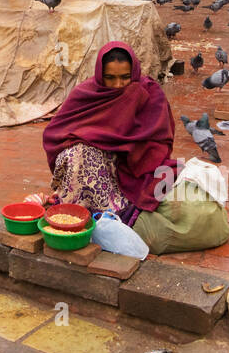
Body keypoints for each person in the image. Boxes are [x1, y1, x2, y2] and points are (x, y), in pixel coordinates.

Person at [41, 42, 178, 225]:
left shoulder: (149, 93)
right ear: (99, 75)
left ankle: (115, 214)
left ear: (134, 73)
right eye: (110, 78)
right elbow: (55, 133)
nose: (118, 84)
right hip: (94, 164)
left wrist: (126, 148)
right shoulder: (86, 93)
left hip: (129, 167)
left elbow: (159, 141)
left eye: (125, 77)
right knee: (78, 154)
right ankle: (77, 213)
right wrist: (91, 139)